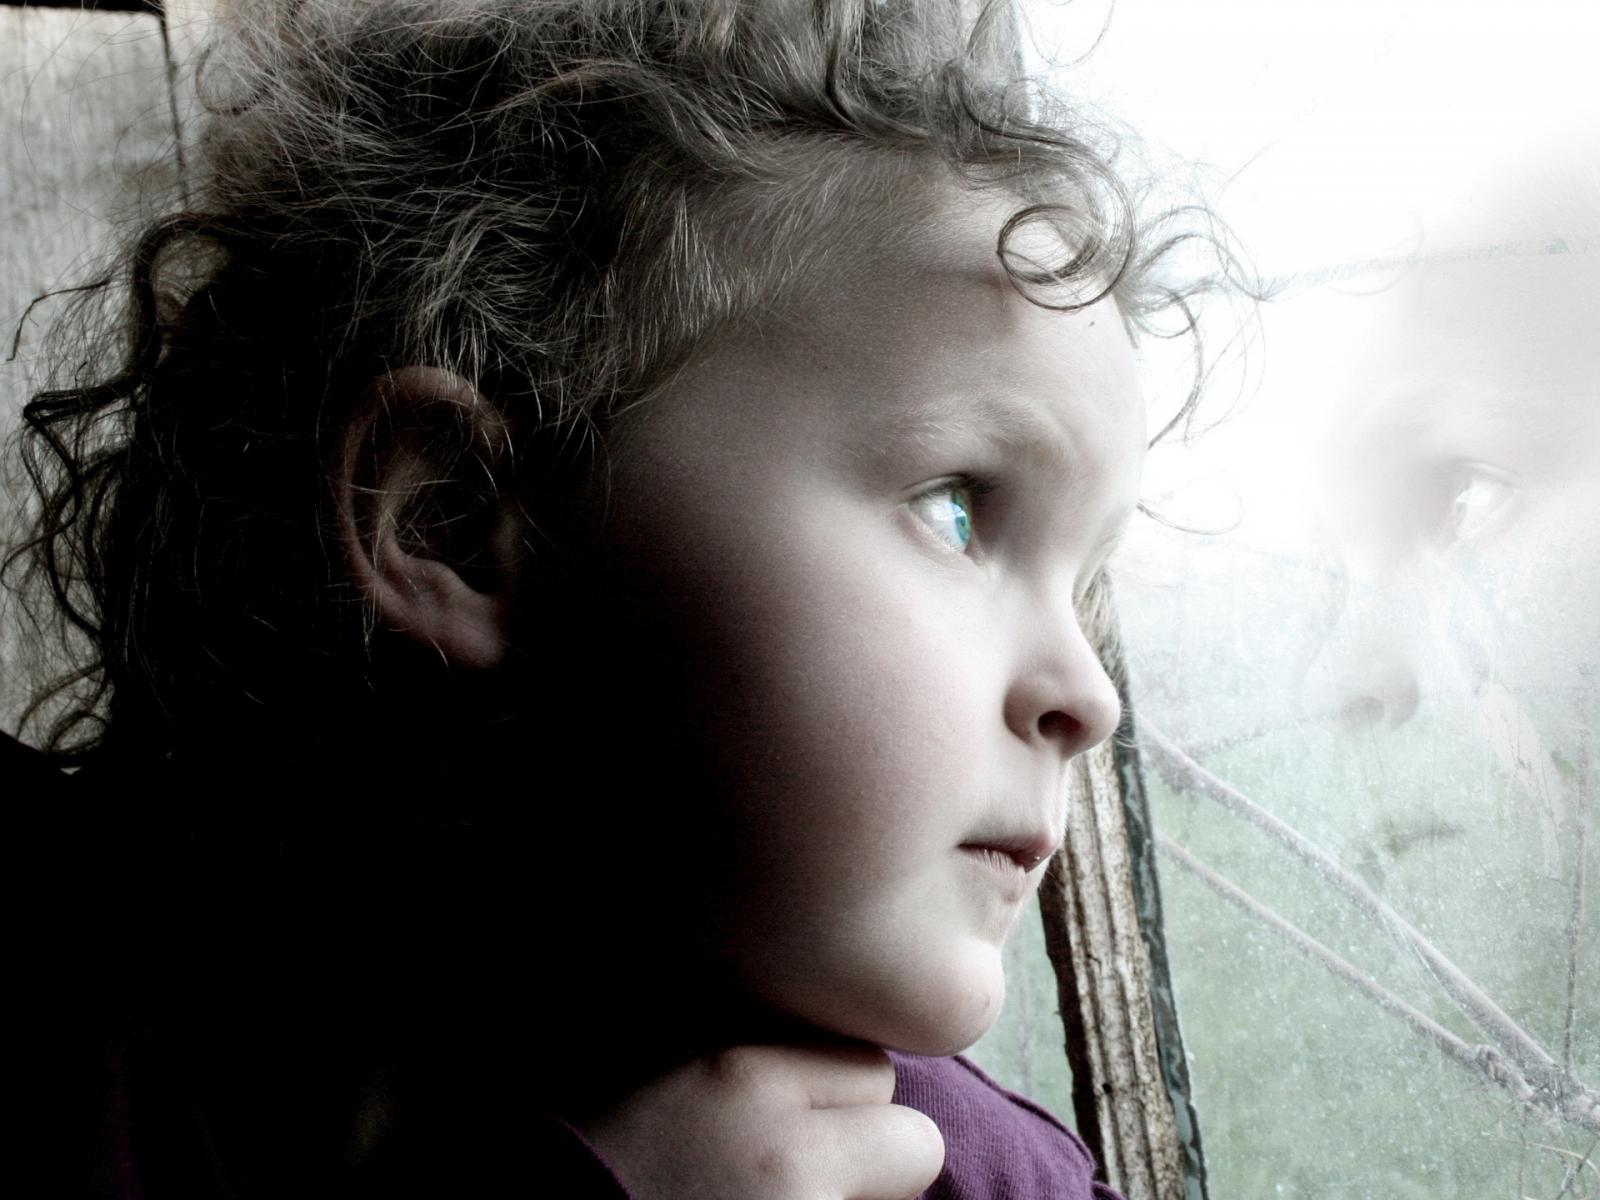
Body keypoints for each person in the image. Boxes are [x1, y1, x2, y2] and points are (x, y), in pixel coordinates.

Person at [4, 1, 1215, 1196]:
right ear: (452, 521)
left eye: (1085, 587)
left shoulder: (985, 1179)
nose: (1090, 699)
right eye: (955, 509)